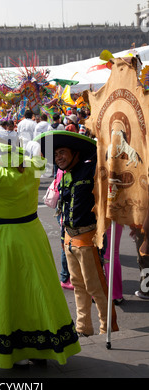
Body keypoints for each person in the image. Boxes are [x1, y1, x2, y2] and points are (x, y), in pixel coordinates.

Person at [0, 144, 81, 369]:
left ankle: (12, 350)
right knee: (37, 288)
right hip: (32, 233)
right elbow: (36, 157)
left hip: (7, 237)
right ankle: (41, 347)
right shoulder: (34, 168)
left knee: (8, 289)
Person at [49, 130, 119, 337]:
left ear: (76, 153)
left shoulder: (91, 170)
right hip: (69, 239)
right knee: (78, 286)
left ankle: (108, 328)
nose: (58, 157)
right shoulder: (64, 176)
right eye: (55, 154)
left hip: (89, 238)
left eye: (62, 152)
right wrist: (63, 239)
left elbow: (109, 163)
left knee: (96, 287)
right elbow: (63, 209)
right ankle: (83, 327)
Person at [104, 223, 124, 305]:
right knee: (111, 254)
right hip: (111, 217)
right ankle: (115, 295)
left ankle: (97, 293)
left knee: (98, 254)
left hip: (94, 218)